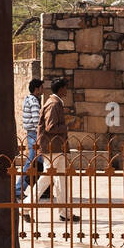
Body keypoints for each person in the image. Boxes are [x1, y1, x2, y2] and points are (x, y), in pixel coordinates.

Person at [34, 79, 77, 218]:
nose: (66, 91)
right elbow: (50, 127)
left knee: (61, 179)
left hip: (58, 147)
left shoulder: (56, 102)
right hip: (52, 147)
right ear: (60, 89)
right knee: (48, 177)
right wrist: (67, 126)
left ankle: (65, 212)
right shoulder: (53, 104)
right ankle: (26, 206)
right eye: (65, 88)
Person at [15, 78, 44, 199]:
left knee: (40, 162)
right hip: (34, 134)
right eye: (42, 87)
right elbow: (37, 121)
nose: (43, 89)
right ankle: (18, 188)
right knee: (32, 161)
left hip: (31, 133)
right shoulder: (33, 101)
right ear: (37, 89)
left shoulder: (30, 99)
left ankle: (40, 189)